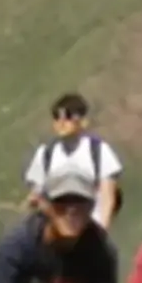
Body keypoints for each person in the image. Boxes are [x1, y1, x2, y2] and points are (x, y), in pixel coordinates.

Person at [22, 93, 123, 231]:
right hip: (56, 235)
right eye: (57, 117)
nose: (61, 122)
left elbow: (107, 197)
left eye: (68, 116)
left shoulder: (99, 151)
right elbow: (37, 196)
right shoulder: (46, 154)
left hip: (90, 232)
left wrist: (102, 232)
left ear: (83, 121)